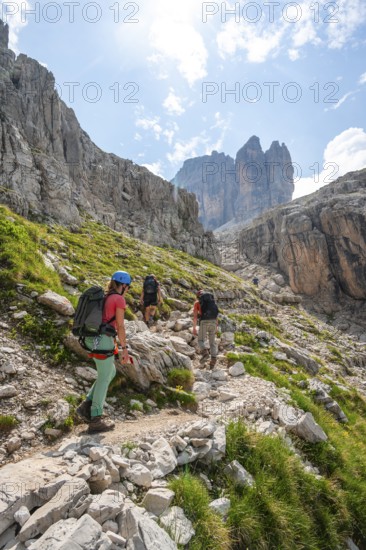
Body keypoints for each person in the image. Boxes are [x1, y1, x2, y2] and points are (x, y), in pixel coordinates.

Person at [76, 270, 132, 433]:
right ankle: (96, 418)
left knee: (110, 372)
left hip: (92, 339)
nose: (127, 290)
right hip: (103, 340)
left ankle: (86, 406)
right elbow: (120, 326)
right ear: (123, 285)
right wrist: (124, 349)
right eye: (127, 286)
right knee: (103, 377)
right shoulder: (119, 299)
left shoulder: (105, 296)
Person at [193, 289, 219, 369]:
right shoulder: (212, 302)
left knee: (200, 340)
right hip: (213, 322)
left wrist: (194, 328)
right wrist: (216, 326)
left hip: (204, 322)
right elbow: (216, 315)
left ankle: (205, 353)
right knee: (212, 342)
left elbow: (195, 317)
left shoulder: (197, 303)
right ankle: (213, 360)